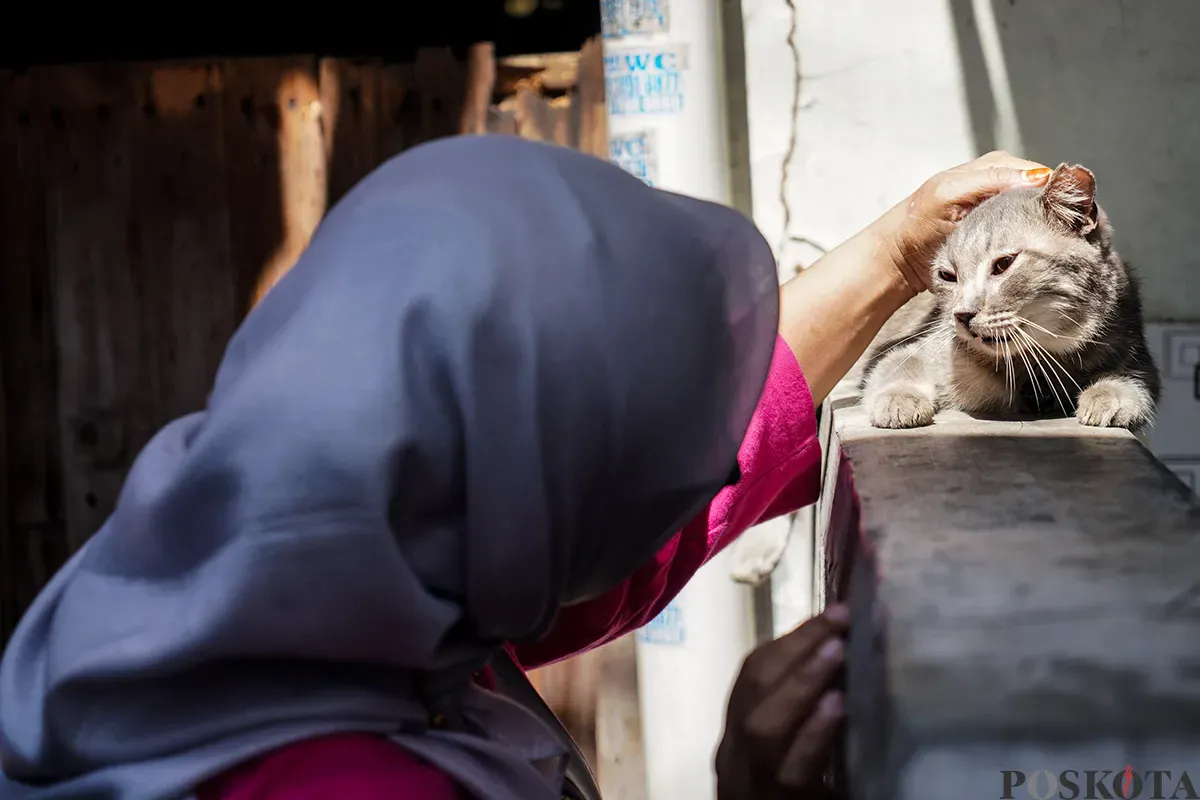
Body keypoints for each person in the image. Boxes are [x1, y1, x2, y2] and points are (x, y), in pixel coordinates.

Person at [0, 137, 1048, 800]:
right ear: (522, 501)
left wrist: (897, 256)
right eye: (621, 463)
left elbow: (643, 540)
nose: (693, 475)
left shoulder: (284, 573)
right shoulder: (338, 780)